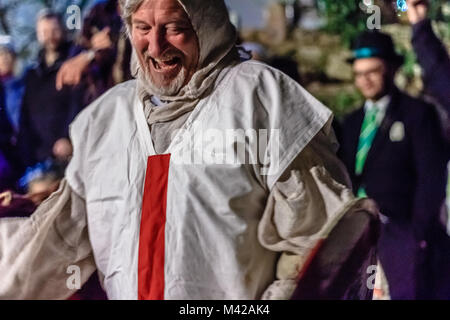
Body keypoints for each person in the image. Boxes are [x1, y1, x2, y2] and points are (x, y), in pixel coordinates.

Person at [0, 0, 378, 300]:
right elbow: (56, 241)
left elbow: (318, 239)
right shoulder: (106, 119)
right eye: (142, 28)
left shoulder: (260, 99)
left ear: (207, 25)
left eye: (175, 28)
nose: (156, 44)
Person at [338, 30, 450, 299]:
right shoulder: (350, 123)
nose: (365, 79)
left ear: (391, 68)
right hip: (358, 234)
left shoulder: (417, 114)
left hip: (403, 232)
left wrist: (418, 233)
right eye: (359, 73)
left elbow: (430, 177)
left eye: (373, 71)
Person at [16, 10, 82, 172]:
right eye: (45, 32)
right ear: (38, 35)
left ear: (63, 30)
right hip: (39, 157)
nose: (50, 36)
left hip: (69, 152)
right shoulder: (32, 74)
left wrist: (69, 137)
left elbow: (79, 103)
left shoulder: (74, 65)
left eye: (54, 30)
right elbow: (25, 115)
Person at [56, 0, 133, 106]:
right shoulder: (98, 12)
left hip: (138, 101)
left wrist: (111, 41)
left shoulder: (147, 8)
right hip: (103, 104)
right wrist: (91, 53)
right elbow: (74, 64)